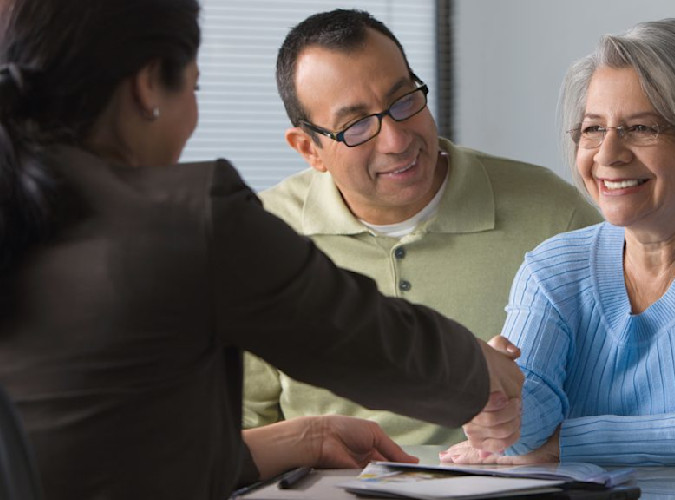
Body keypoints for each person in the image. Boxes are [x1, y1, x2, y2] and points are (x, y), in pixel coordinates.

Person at [0, 1, 526, 498]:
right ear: (146, 88)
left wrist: (296, 440)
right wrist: (480, 372)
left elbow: (100, 455)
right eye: (194, 88)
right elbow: (355, 335)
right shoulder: (188, 217)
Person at [441, 18, 675, 480]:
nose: (608, 154)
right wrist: (497, 399)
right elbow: (527, 435)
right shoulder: (552, 269)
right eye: (592, 129)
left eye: (641, 127)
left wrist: (570, 444)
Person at [243, 8, 601, 447]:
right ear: (308, 148)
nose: (396, 141)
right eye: (355, 126)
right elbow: (238, 433)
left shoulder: (553, 215)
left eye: (404, 100)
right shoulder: (260, 238)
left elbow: (619, 389)